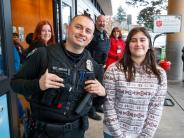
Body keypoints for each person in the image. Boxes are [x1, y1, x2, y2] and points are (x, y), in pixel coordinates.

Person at [10, 14, 106, 138]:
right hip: (41, 133)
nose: (83, 33)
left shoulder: (94, 67)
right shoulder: (43, 55)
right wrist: (38, 84)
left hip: (76, 133)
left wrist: (103, 93)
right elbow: (14, 83)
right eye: (78, 27)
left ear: (91, 37)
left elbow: (97, 103)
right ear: (67, 28)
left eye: (88, 31)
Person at [103, 27, 167, 138]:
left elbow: (156, 109)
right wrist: (119, 136)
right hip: (113, 133)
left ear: (149, 44)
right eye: (133, 40)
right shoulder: (113, 70)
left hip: (142, 133)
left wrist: (145, 135)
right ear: (128, 45)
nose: (138, 44)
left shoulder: (159, 74)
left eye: (142, 40)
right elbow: (108, 106)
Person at [86, 15, 110, 120]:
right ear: (96, 22)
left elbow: (106, 48)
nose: (102, 23)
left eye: (104, 21)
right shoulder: (91, 33)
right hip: (91, 65)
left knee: (100, 86)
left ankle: (96, 106)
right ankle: (90, 110)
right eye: (100, 21)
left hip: (101, 65)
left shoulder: (105, 34)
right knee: (91, 88)